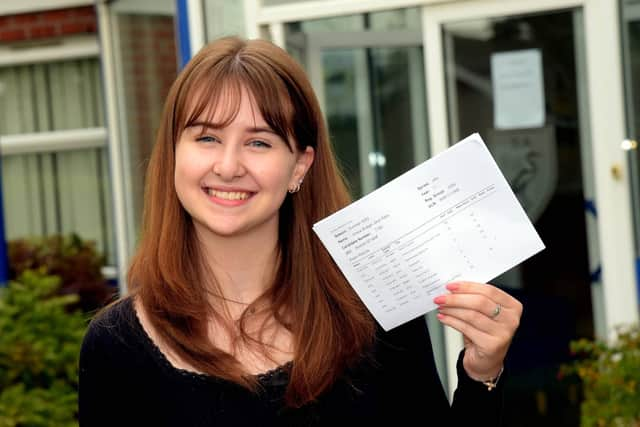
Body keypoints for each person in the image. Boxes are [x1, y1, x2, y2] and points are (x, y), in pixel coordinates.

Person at [79, 36, 523, 426]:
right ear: (174, 153)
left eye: (258, 142)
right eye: (206, 137)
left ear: (300, 165)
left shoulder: (374, 312)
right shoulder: (116, 345)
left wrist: (482, 374)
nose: (228, 166)